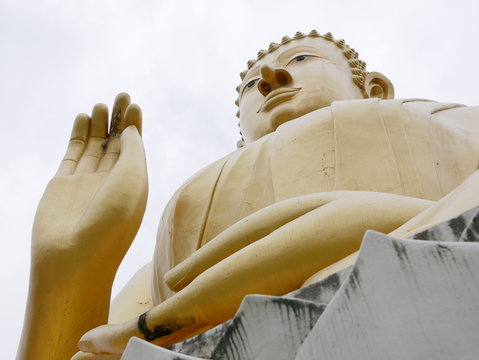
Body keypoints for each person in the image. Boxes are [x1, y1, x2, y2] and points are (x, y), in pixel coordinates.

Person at [17, 30, 479, 359]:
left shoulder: (442, 122)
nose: (270, 77)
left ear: (371, 86)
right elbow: (100, 349)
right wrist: (70, 275)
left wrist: (391, 219)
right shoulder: (188, 210)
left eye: (301, 60)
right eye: (248, 85)